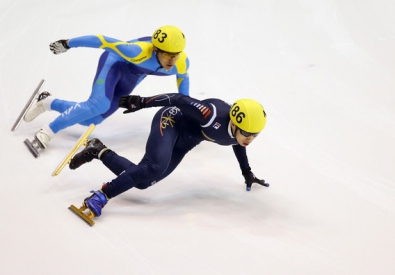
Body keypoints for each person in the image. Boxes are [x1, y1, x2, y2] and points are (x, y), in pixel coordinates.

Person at [68, 93, 269, 220]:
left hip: (186, 141)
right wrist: (141, 102)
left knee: (143, 182)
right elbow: (178, 99)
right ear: (233, 123)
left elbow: (237, 142)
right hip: (170, 121)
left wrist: (246, 171)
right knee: (154, 166)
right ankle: (102, 196)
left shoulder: (240, 135)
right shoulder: (211, 115)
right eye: (247, 133)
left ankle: (98, 150)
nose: (250, 139)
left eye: (255, 135)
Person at [24, 25, 189, 154]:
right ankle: (47, 131)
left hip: (131, 78)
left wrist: (186, 111)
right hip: (114, 63)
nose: (172, 60)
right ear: (155, 50)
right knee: (99, 104)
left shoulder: (181, 63)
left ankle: (47, 102)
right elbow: (102, 40)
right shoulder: (138, 51)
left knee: (91, 119)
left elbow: (183, 83)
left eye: (176, 54)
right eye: (168, 55)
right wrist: (67, 43)